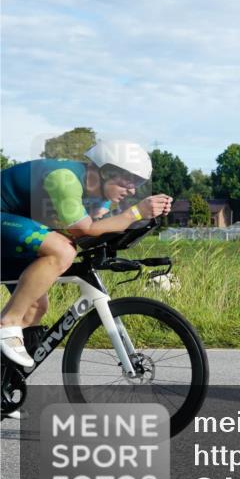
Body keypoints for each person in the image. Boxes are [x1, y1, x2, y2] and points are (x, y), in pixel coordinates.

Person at [0, 140, 173, 368]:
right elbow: (83, 229)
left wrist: (142, 220)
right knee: (61, 250)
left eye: (138, 183)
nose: (133, 190)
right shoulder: (65, 179)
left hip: (14, 229)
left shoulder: (99, 196)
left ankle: (5, 387)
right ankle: (7, 323)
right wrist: (136, 212)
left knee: (34, 306)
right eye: (129, 181)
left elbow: (96, 231)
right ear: (106, 171)